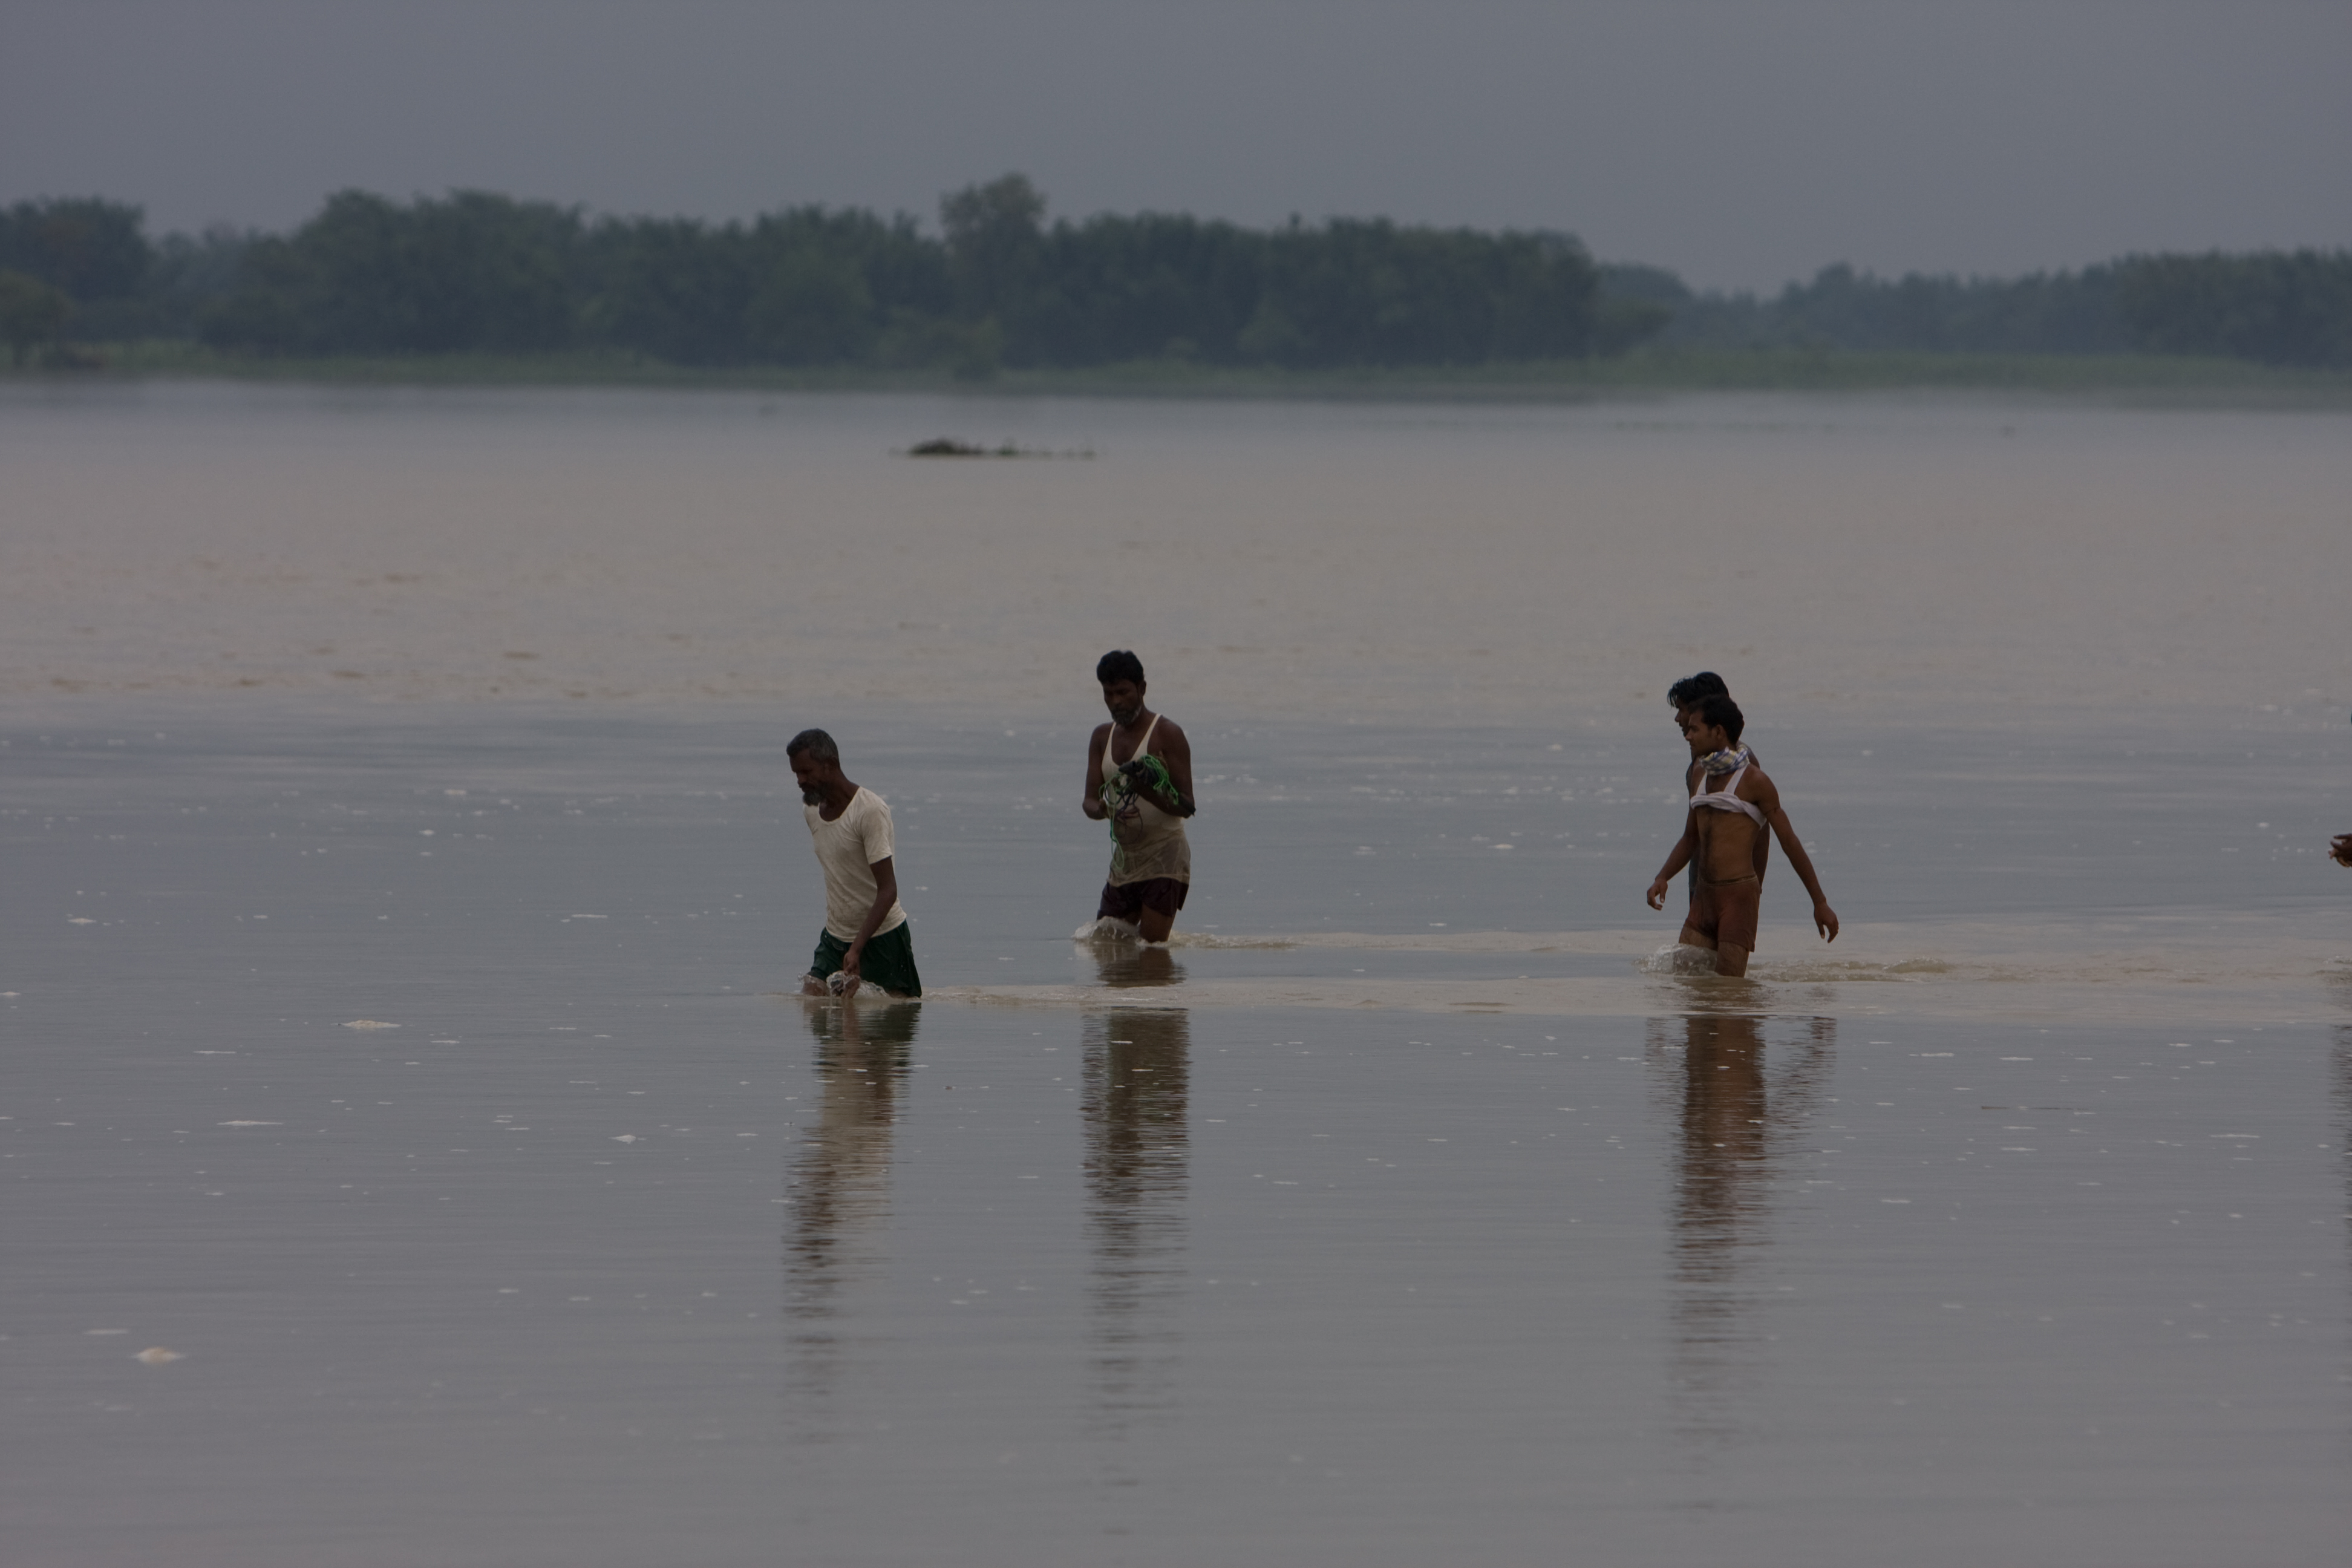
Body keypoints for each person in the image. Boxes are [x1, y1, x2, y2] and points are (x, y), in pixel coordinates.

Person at [1645, 694, 1838, 978]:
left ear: (1718, 732)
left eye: (1695, 729)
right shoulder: (1699, 775)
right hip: (1703, 898)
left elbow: (1789, 842)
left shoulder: (1755, 781)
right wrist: (1662, 877)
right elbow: (1690, 838)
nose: (1688, 736)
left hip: (1738, 900)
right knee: (1687, 986)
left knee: (1730, 992)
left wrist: (1819, 902)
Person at [789, 728, 921, 998]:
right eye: (796, 774)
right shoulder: (811, 811)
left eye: (806, 772)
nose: (800, 781)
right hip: (835, 937)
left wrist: (857, 948)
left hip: (884, 938)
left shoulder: (869, 811)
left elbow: (888, 890)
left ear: (830, 765)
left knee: (894, 1016)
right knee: (811, 1001)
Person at [1081, 650, 1195, 944]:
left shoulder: (1167, 734)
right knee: (1105, 943)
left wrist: (1148, 790)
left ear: (1142, 689)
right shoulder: (1101, 738)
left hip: (1165, 857)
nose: (1116, 702)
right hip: (1125, 862)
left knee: (1152, 950)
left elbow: (1187, 805)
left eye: (1123, 692)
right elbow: (1089, 801)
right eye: (1108, 694)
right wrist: (1104, 810)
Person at [1664, 671, 1768, 892]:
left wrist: (1756, 887)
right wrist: (1663, 877)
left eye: (1682, 710)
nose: (1678, 719)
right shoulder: (1701, 759)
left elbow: (1761, 829)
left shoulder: (1743, 762)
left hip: (1733, 886)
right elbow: (1692, 834)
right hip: (1703, 879)